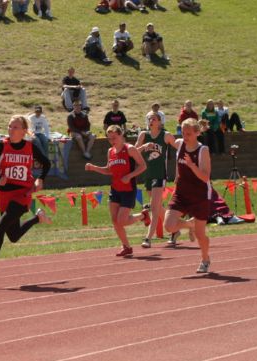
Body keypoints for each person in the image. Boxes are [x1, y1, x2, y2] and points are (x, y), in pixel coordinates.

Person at [0, 115, 51, 281]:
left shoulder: (30, 147)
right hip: (4, 194)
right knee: (13, 236)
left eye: (15, 127)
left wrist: (40, 178)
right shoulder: (1, 145)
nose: (11, 130)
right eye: (9, 126)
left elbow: (46, 163)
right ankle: (38, 218)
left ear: (23, 131)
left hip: (22, 193)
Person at [85, 125, 150, 257]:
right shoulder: (111, 151)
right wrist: (94, 168)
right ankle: (126, 246)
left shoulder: (130, 149)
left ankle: (143, 216)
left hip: (128, 189)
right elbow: (109, 170)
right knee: (115, 221)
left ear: (121, 135)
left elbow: (143, 166)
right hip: (115, 189)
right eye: (109, 139)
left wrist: (129, 176)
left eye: (114, 137)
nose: (112, 141)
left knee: (121, 220)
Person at [162, 118, 212, 272]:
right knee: (169, 226)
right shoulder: (180, 144)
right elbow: (167, 139)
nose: (185, 136)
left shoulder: (203, 150)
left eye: (189, 133)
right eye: (183, 133)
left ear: (197, 133)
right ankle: (190, 224)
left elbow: (205, 177)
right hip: (182, 192)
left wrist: (191, 165)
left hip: (200, 195)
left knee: (200, 235)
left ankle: (205, 259)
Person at [135, 111, 174, 248]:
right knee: (157, 206)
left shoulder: (166, 135)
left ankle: (148, 238)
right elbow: (133, 152)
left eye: (154, 118)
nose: (151, 120)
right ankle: (175, 230)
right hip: (147, 174)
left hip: (159, 174)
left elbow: (179, 146)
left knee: (154, 207)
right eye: (149, 118)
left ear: (159, 121)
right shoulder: (143, 135)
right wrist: (143, 147)